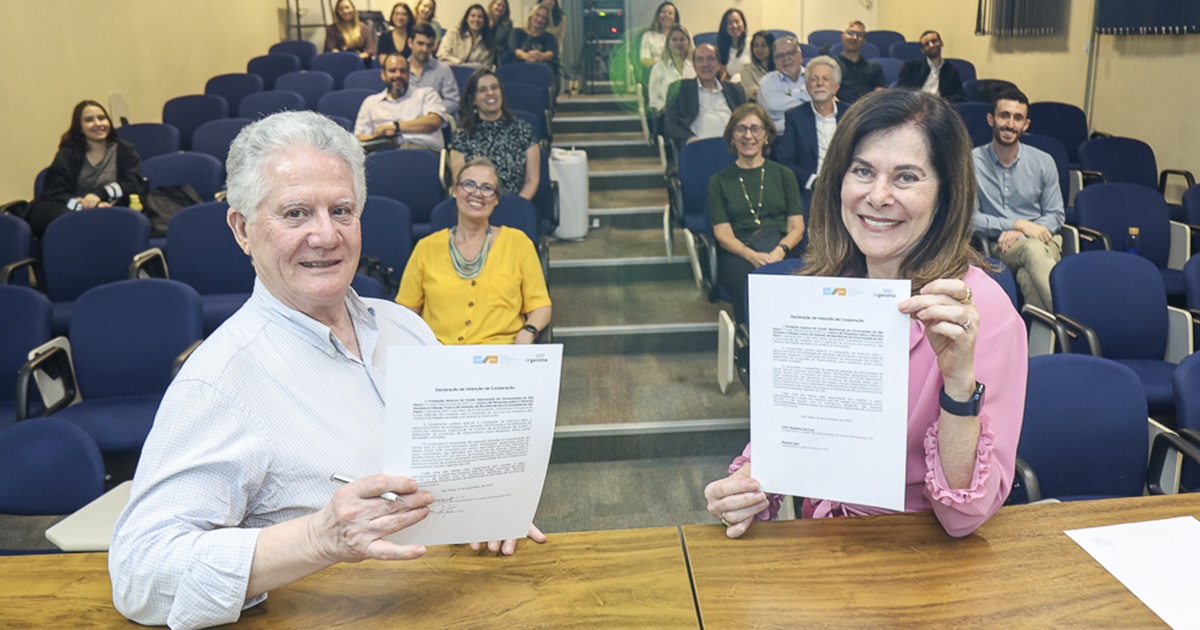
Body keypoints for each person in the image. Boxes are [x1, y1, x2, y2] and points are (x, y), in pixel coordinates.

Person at [108, 111, 546, 629]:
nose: (326, 235)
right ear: (242, 229)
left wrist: (488, 509)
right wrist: (318, 538)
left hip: (451, 603)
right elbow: (140, 574)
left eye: (342, 210)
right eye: (295, 213)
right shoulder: (220, 380)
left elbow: (452, 479)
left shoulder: (405, 328)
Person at [704, 90, 1027, 540]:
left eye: (906, 177)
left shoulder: (985, 315)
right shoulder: (822, 291)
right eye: (863, 171)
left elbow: (963, 518)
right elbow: (798, 434)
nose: (877, 196)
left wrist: (958, 385)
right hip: (823, 549)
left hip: (920, 558)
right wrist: (746, 487)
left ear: (946, 193)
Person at [397, 157, 552, 345]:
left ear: (496, 200)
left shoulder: (518, 243)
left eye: (487, 188)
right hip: (441, 357)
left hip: (500, 357)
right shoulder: (426, 248)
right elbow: (405, 312)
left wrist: (528, 331)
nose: (477, 194)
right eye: (469, 185)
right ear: (455, 191)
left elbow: (541, 306)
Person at [707, 103, 805, 326]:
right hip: (739, 253)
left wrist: (778, 252)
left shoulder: (784, 174)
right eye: (740, 129)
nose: (748, 136)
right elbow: (722, 234)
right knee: (746, 282)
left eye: (755, 129)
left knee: (796, 280)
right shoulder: (719, 181)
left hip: (781, 247)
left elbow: (796, 226)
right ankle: (748, 353)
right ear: (732, 137)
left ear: (766, 135)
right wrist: (752, 255)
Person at [973, 87, 1064, 311]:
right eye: (1004, 115)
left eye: (1017, 118)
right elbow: (969, 219)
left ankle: (1044, 339)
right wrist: (1016, 225)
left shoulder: (1044, 162)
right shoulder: (971, 162)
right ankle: (1072, 317)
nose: (1010, 124)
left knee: (1027, 275)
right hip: (997, 246)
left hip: (1044, 239)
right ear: (990, 119)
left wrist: (1024, 231)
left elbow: (1056, 214)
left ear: (1026, 125)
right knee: (1031, 250)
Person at [23, 100, 144, 238]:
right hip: (73, 210)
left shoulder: (125, 150)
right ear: (79, 127)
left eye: (101, 118)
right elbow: (55, 190)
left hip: (111, 209)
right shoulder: (68, 153)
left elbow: (133, 183)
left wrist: (100, 194)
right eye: (89, 120)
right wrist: (85, 204)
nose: (98, 124)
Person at [450, 69, 540, 200]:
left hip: (516, 205)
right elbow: (462, 184)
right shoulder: (462, 136)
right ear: (473, 99)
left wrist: (517, 206)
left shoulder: (524, 130)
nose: (490, 93)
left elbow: (532, 181)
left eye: (494, 87)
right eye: (482, 90)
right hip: (476, 206)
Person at [776, 55, 843, 207]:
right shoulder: (795, 117)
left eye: (826, 79)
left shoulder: (850, 114)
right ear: (807, 87)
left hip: (846, 185)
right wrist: (813, 181)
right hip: (811, 189)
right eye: (814, 79)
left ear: (836, 86)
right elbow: (786, 161)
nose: (820, 83)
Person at [354, 52, 449, 151]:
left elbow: (434, 122)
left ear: (408, 74)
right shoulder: (371, 103)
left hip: (422, 151)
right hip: (383, 153)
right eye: (392, 71)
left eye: (403, 71)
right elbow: (359, 139)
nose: (398, 75)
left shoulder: (426, 94)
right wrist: (380, 137)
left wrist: (396, 127)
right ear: (383, 75)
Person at [663, 43, 747, 149]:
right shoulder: (680, 89)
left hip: (735, 147)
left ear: (718, 64)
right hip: (700, 148)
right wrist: (689, 139)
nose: (705, 64)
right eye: (700, 59)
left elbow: (748, 120)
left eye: (711, 59)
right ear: (694, 65)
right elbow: (670, 125)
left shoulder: (735, 91)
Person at [756, 36, 811, 131]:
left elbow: (822, 105)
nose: (786, 58)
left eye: (791, 53)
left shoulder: (814, 77)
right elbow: (773, 107)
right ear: (774, 61)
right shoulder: (767, 82)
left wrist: (789, 95)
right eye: (780, 56)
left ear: (800, 55)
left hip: (812, 134)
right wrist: (806, 99)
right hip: (779, 138)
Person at [897, 30, 967, 103]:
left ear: (941, 43)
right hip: (915, 107)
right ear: (922, 50)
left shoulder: (952, 70)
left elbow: (959, 95)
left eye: (934, 41)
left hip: (940, 109)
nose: (931, 45)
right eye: (926, 44)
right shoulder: (911, 66)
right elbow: (902, 90)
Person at [408, 23, 461, 118]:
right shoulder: (400, 70)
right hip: (406, 119)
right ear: (410, 43)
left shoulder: (443, 69)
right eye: (420, 44)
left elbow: (453, 102)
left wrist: (429, 110)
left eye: (429, 45)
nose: (425, 49)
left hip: (436, 120)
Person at [834, 21, 884, 106]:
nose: (854, 38)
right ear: (842, 37)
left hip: (866, 110)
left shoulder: (875, 67)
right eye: (850, 33)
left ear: (864, 41)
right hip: (839, 110)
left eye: (859, 35)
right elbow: (827, 93)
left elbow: (880, 94)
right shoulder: (831, 64)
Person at [511, 5, 560, 92]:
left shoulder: (549, 37)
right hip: (520, 67)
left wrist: (540, 55)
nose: (540, 20)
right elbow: (513, 49)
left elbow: (552, 53)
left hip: (541, 70)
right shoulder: (517, 32)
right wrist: (527, 56)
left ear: (547, 21)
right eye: (537, 15)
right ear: (531, 15)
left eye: (544, 18)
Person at [646, 25, 694, 113]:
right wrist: (664, 108)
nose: (678, 43)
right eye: (674, 40)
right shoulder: (658, 68)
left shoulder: (695, 67)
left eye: (682, 39)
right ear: (668, 43)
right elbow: (653, 99)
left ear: (689, 43)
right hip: (668, 114)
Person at [639, 1, 679, 70]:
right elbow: (644, 59)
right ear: (658, 15)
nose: (666, 15)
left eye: (670, 13)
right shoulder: (648, 36)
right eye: (663, 12)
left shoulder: (684, 35)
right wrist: (662, 67)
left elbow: (690, 57)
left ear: (675, 18)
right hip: (656, 74)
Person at [739, 31, 774, 102]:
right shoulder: (747, 70)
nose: (759, 49)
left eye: (763, 45)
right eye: (756, 46)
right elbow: (755, 95)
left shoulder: (780, 68)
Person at [716, 8, 750, 83]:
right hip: (731, 88)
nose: (734, 26)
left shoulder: (752, 44)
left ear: (743, 24)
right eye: (730, 23)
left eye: (737, 22)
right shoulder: (720, 50)